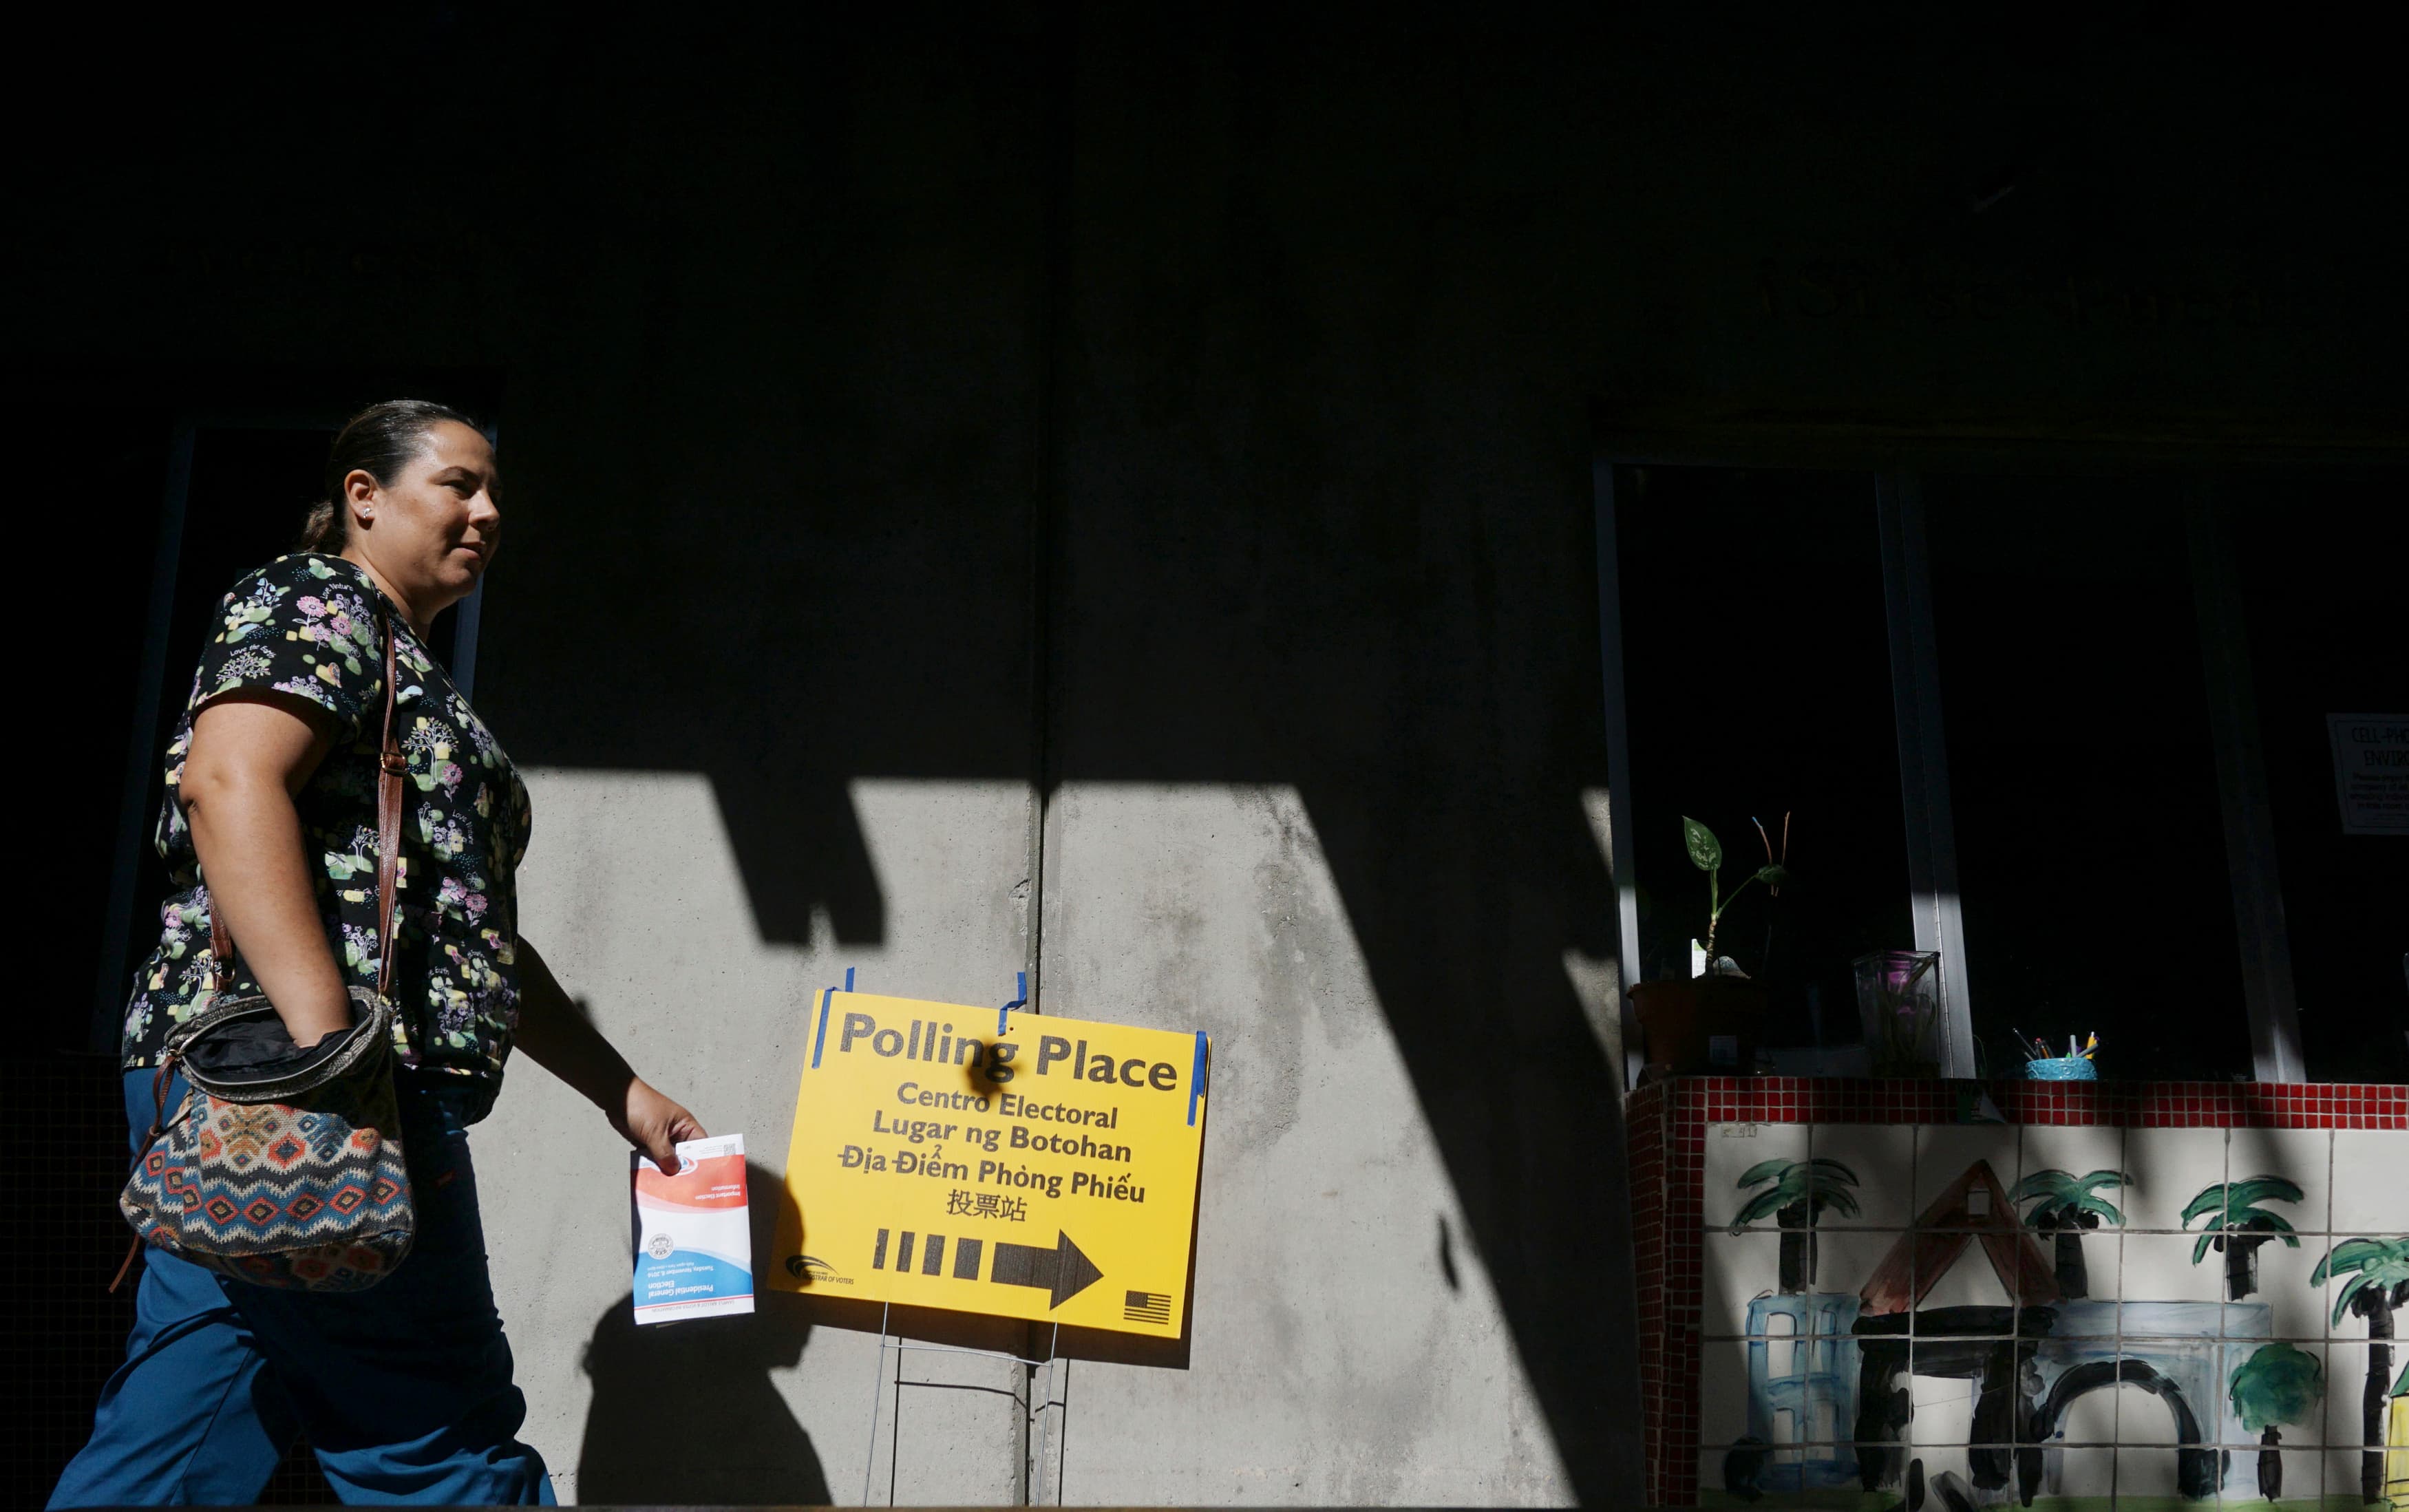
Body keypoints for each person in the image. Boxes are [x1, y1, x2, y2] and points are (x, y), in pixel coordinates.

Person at [50, 401, 704, 1507]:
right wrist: (327, 1054)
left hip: (255, 1094)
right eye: (459, 483)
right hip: (318, 1085)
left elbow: (476, 945)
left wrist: (619, 1088)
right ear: (364, 495)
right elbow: (229, 780)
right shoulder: (318, 600)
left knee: (181, 1434)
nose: (489, 511)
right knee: (438, 1435)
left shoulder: (415, 674)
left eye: (495, 492)